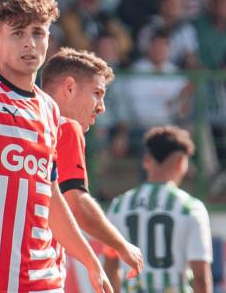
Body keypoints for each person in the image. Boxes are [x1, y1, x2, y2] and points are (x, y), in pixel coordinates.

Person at [0, 0, 112, 292]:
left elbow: (51, 195)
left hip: (40, 278)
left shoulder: (49, 109)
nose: (30, 43)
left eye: (38, 33)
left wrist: (89, 260)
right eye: (18, 33)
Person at [40, 48, 144, 281]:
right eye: (97, 93)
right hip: (34, 270)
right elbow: (77, 205)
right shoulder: (65, 127)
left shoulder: (16, 120)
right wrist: (122, 245)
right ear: (69, 88)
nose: (101, 107)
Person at [104, 126, 213, 293]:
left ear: (147, 160)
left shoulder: (120, 206)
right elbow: (201, 279)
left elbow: (110, 267)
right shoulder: (190, 208)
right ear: (180, 163)